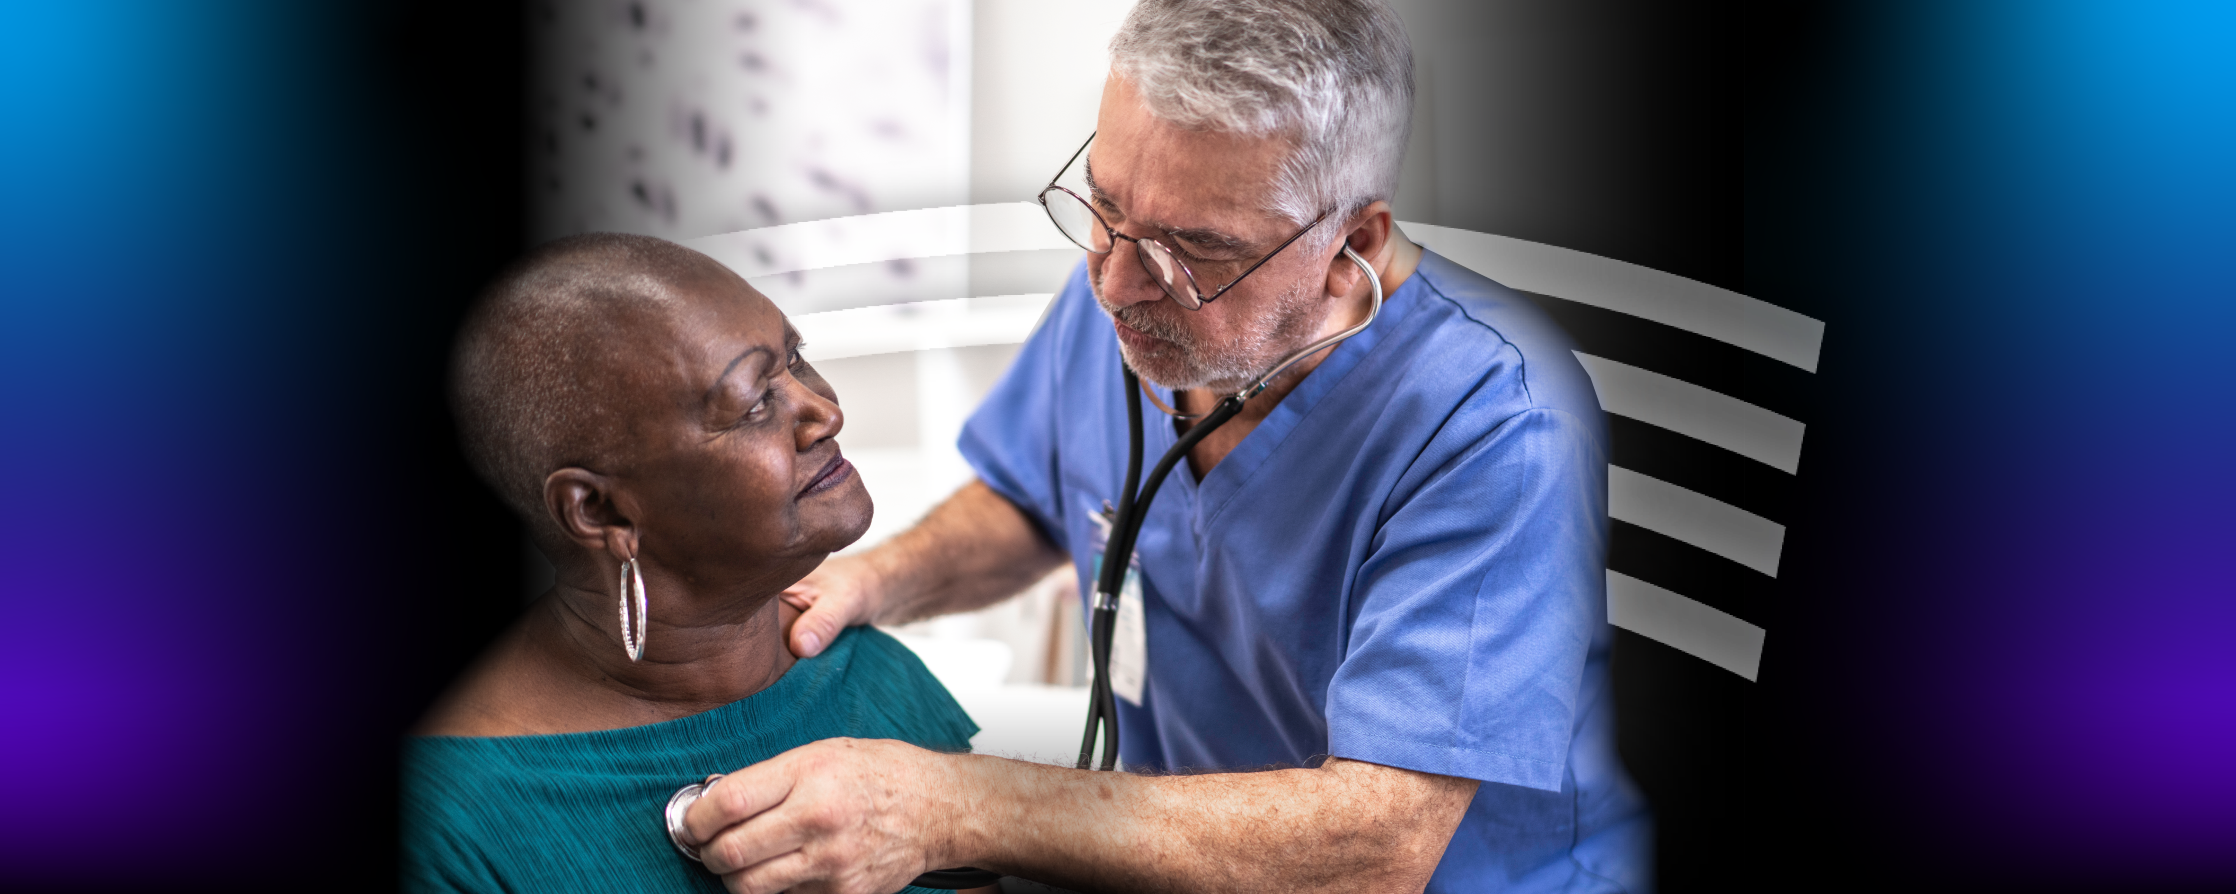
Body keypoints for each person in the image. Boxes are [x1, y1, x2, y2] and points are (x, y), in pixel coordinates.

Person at [677, 1, 1652, 892]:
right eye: (1103, 208)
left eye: (1195, 249)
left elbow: (1378, 844)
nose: (1112, 283)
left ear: (1354, 239)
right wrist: (874, 581)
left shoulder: (1492, 423)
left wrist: (956, 805)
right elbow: (1032, 496)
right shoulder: (1130, 280)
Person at [405, 233, 989, 894]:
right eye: (753, 404)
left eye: (796, 358)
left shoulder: (866, 675)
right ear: (600, 512)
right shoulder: (452, 824)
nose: (825, 413)